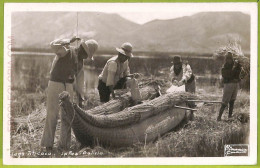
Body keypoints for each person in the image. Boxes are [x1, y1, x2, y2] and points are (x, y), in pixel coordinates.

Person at [41, 37, 98, 151]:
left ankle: (64, 146)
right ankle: (48, 144)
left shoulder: (81, 63)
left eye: (87, 55)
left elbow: (80, 83)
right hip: (55, 84)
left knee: (67, 116)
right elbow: (53, 45)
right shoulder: (66, 50)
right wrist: (68, 41)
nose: (85, 57)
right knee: (52, 114)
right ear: (81, 48)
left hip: (68, 87)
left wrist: (81, 97)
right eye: (85, 53)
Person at [217, 52, 242, 121]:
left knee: (232, 101)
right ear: (226, 60)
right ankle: (219, 117)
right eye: (228, 59)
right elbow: (228, 75)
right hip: (228, 85)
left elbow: (239, 74)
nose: (229, 60)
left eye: (231, 59)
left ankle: (229, 117)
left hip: (235, 85)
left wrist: (238, 66)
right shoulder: (224, 68)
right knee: (225, 102)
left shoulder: (236, 66)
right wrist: (234, 69)